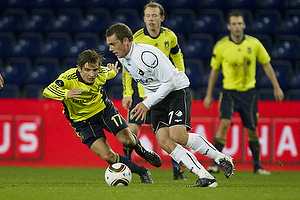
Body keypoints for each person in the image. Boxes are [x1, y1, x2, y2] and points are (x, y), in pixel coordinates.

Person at [105, 23, 234, 187]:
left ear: (125, 41)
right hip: (157, 97)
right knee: (164, 141)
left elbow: (170, 82)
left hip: (176, 91)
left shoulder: (146, 55)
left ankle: (220, 157)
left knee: (178, 136)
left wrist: (146, 103)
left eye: (112, 44)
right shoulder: (122, 57)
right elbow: (145, 77)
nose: (110, 49)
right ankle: (206, 177)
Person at [42, 49, 162, 184]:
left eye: (95, 70)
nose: (92, 74)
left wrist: (114, 71)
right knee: (108, 156)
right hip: (82, 122)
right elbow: (47, 91)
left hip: (104, 111)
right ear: (79, 68)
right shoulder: (68, 78)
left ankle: (143, 152)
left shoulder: (102, 73)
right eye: (87, 70)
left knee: (127, 140)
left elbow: (110, 72)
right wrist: (66, 94)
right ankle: (142, 171)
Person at [203, 10, 284, 175]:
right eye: (234, 24)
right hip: (229, 93)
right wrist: (209, 94)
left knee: (252, 129)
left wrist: (276, 86)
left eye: (240, 23)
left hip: (249, 93)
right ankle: (215, 164)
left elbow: (266, 64)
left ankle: (257, 166)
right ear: (229, 26)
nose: (237, 27)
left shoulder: (254, 44)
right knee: (224, 124)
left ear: (244, 25)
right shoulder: (222, 46)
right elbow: (214, 71)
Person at [122, 1, 187, 180]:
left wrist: (179, 74)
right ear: (144, 19)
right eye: (148, 16)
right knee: (130, 131)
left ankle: (177, 170)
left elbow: (177, 56)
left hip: (164, 93)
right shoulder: (136, 38)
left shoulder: (170, 36)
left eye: (155, 16)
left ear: (161, 18)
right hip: (141, 92)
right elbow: (128, 69)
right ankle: (127, 166)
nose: (151, 19)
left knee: (171, 133)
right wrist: (127, 93)